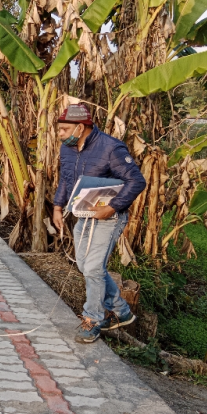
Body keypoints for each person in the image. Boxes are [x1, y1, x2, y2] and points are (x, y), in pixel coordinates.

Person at [52, 104, 146, 344]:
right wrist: (57, 207)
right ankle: (122, 311)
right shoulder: (67, 149)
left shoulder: (111, 148)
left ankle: (93, 320)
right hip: (83, 215)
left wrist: (112, 207)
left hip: (109, 218)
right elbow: (66, 179)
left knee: (93, 269)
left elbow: (136, 181)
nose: (60, 134)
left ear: (80, 127)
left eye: (64, 129)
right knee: (85, 266)